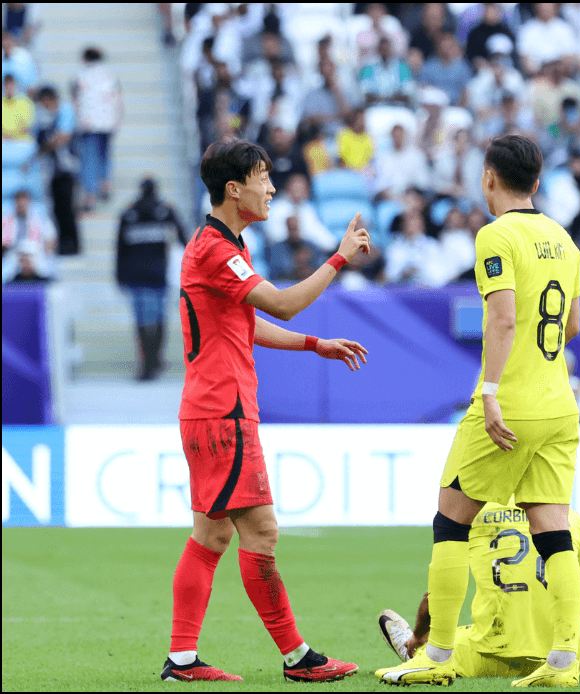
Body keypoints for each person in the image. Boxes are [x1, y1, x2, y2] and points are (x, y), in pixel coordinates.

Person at [375, 134, 580, 687]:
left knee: (451, 522)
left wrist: (490, 390)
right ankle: (563, 660)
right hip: (559, 402)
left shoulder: (496, 235)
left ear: (488, 177)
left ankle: (437, 656)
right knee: (553, 529)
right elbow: (573, 328)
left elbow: (503, 319)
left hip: (510, 403)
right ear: (537, 182)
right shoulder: (564, 241)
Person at [163, 138, 371, 683]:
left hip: (209, 410)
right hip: (223, 413)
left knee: (212, 536)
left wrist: (313, 344)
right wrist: (338, 259)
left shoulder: (225, 247)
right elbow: (278, 301)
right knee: (263, 533)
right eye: (263, 177)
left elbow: (247, 323)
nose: (272, 187)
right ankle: (298, 657)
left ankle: (182, 659)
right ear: (235, 189)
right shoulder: (216, 249)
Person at [376, 503, 580, 677]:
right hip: (559, 656)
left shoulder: (474, 515)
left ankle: (414, 650)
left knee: (441, 647)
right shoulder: (571, 519)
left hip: (485, 655)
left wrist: (420, 635)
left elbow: (436, 598)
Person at [116, 178, 187, 381]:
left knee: (143, 320)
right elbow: (185, 239)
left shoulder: (129, 213)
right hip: (159, 275)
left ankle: (148, 362)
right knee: (158, 318)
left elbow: (119, 250)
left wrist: (120, 276)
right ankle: (154, 360)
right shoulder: (165, 211)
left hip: (137, 276)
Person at [72, 46, 123, 211]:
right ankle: (106, 185)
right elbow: (117, 99)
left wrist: (79, 120)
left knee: (89, 158)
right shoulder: (110, 75)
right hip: (107, 122)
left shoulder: (81, 75)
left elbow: (77, 100)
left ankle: (90, 196)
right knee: (104, 155)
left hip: (89, 123)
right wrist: (116, 120)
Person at [32, 85, 80, 255]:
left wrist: (42, 150)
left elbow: (62, 137)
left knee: (66, 208)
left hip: (66, 169)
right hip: (52, 171)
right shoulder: (45, 117)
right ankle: (62, 243)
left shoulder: (65, 111)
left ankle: (72, 245)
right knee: (56, 209)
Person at [1, 189, 56, 283]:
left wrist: (46, 253)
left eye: (24, 203)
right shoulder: (7, 220)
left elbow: (51, 239)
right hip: (14, 254)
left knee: (47, 269)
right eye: (18, 203)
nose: (21, 206)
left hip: (36, 253)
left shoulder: (40, 220)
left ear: (29, 203)